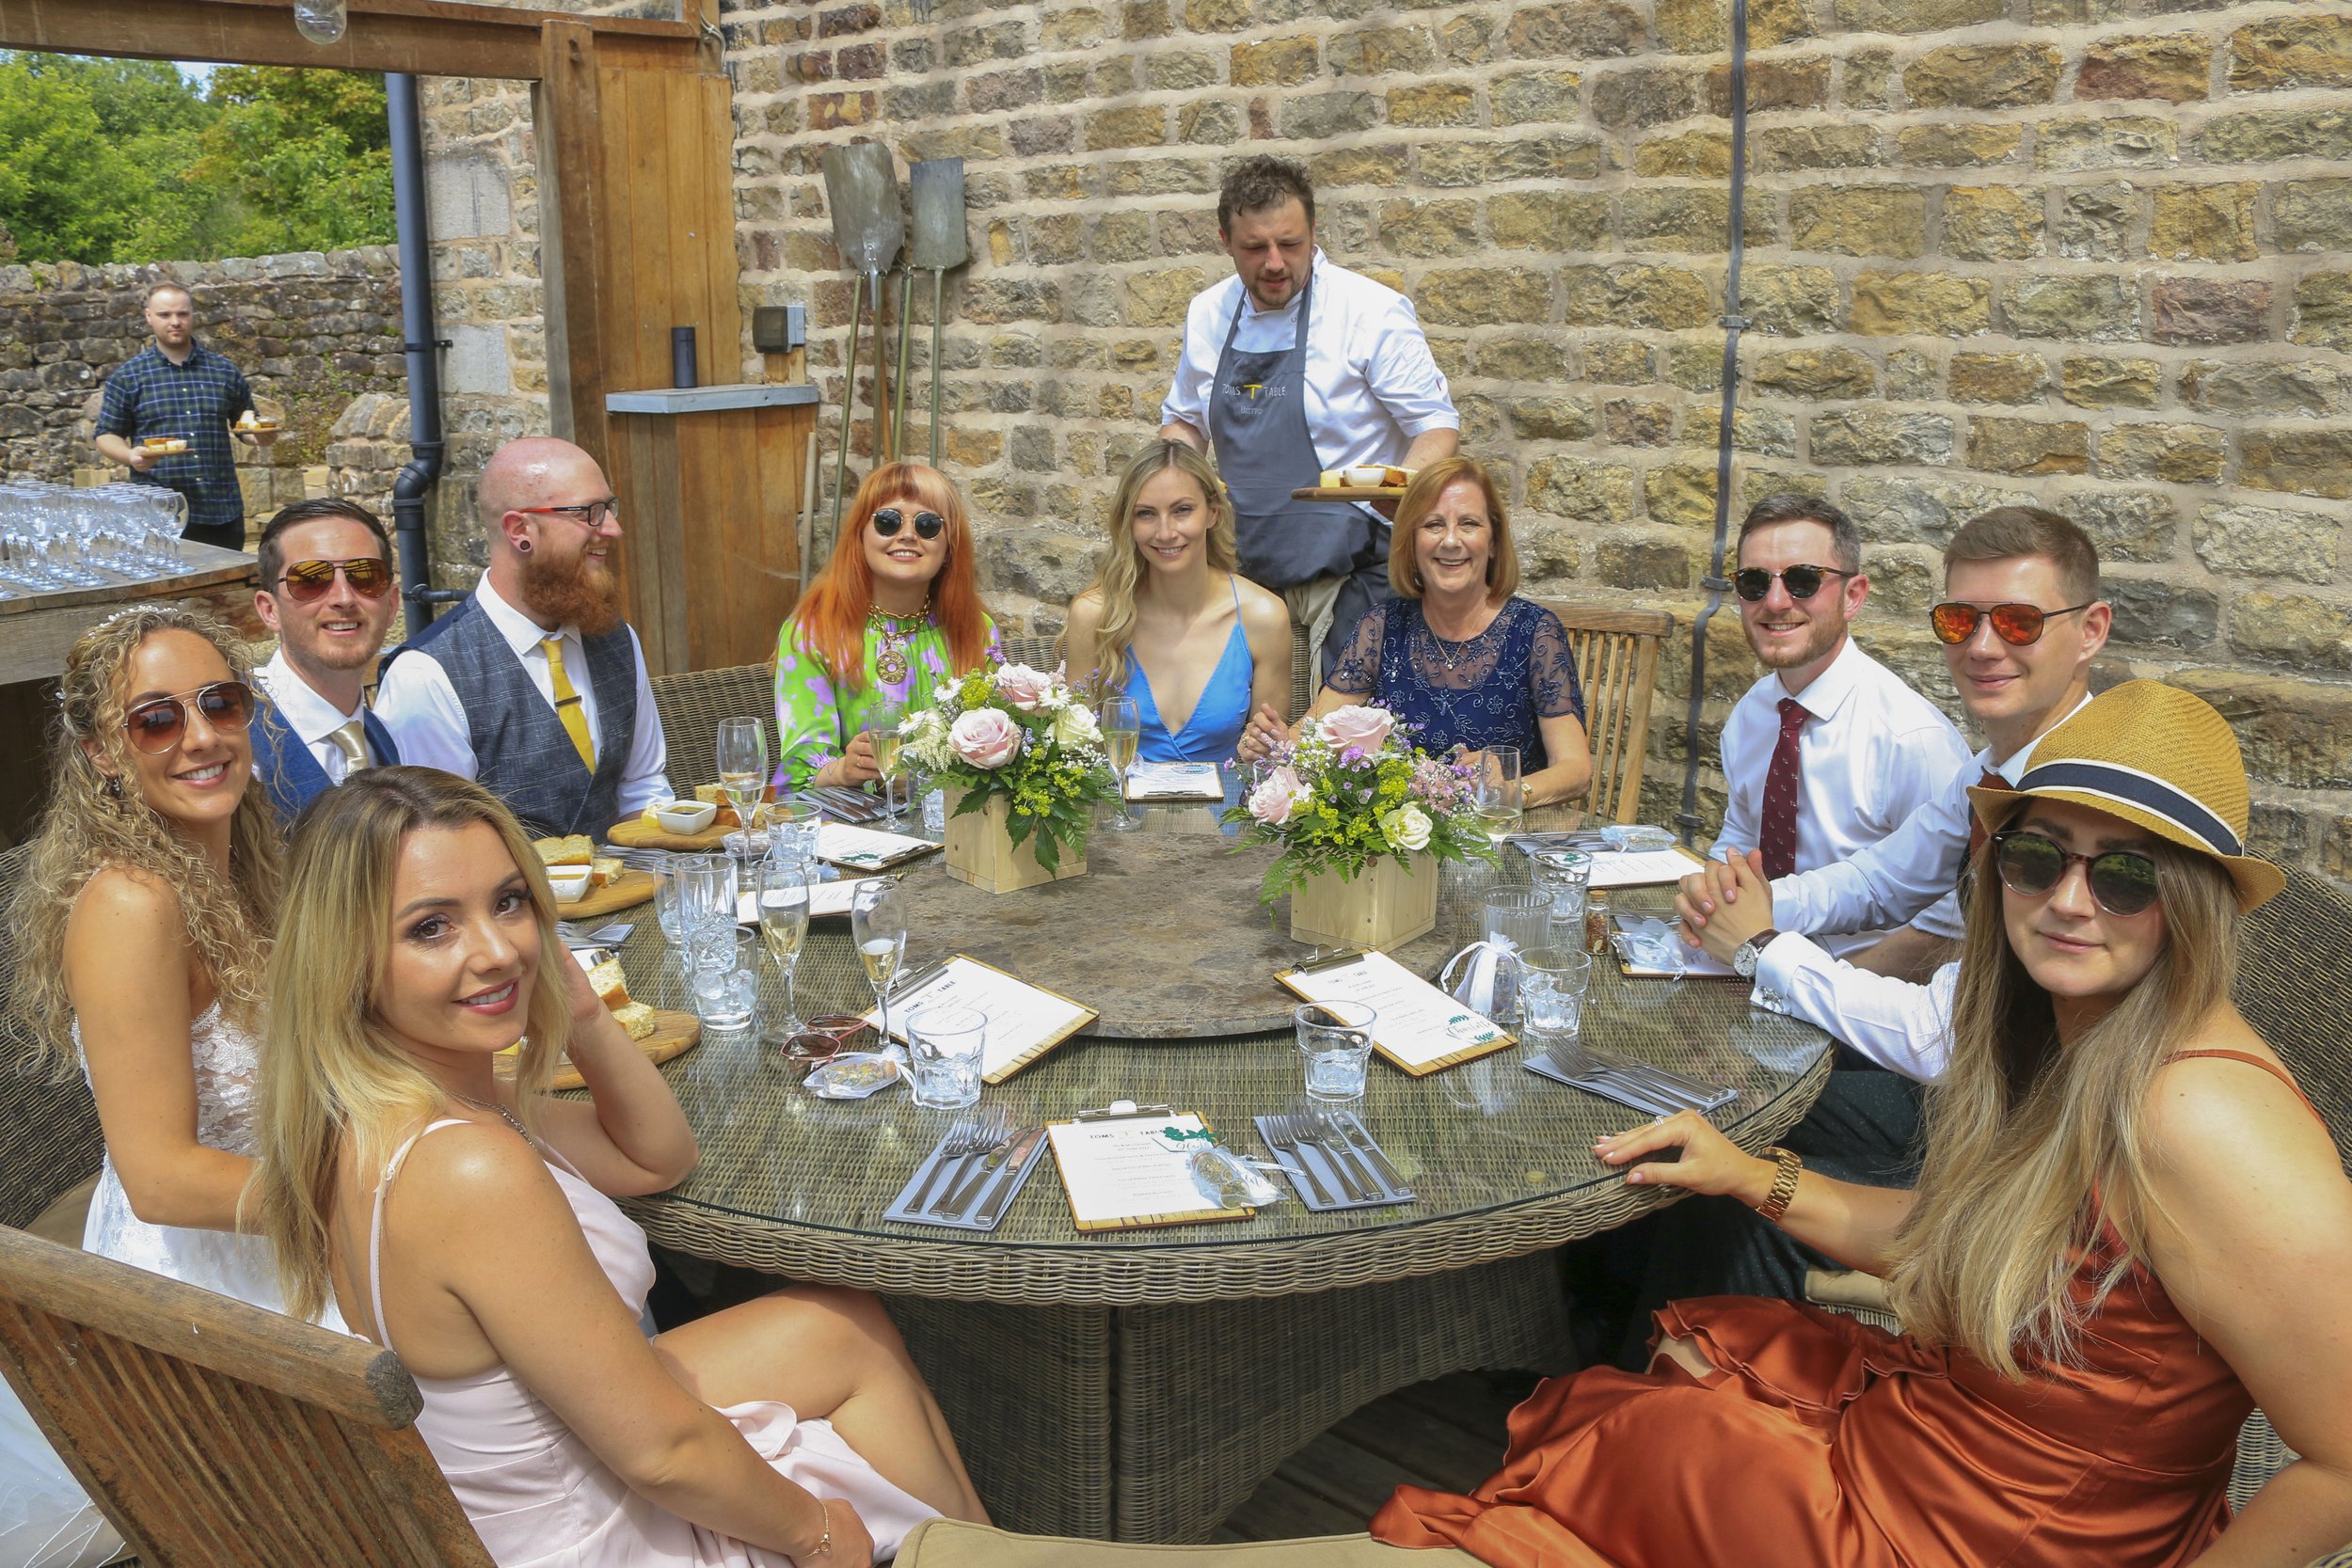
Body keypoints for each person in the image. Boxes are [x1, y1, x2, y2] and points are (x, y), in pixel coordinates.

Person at [1375, 681, 2352, 1567]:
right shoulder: (2077, 1035)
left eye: (2124, 876)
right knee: (1690, 1355)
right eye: (2034, 854)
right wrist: (1749, 1173)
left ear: (2193, 899)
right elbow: (1965, 1244)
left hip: (2003, 1533)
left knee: (1614, 1437)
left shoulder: (2203, 1116)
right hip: (1958, 1442)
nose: (2065, 900)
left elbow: (2344, 1461)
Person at [251, 768, 988, 1565]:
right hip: (592, 1530)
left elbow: (658, 1157)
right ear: (346, 959)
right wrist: (814, 1531)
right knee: (852, 1438)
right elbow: (661, 1453)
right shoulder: (469, 1169)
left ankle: (986, 1552)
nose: (498, 951)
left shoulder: (383, 1110)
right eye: (432, 927)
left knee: (849, 1324)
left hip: (518, 1483)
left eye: (509, 901)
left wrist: (584, 1012)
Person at [1647, 507, 2112, 1311]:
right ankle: (1616, 1338)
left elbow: (1942, 1030)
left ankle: (1716, 1377)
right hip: (1979, 1092)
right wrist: (1747, 903)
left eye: (2020, 621)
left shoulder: (2078, 797)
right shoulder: (1999, 764)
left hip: (2034, 1141)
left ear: (2092, 629)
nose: (1983, 646)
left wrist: (1763, 946)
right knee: (1679, 1091)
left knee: (1724, 1126)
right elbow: (1881, 879)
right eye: (1961, 620)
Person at [0, 605, 338, 1568]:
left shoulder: (240, 869)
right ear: (105, 752)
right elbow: (156, 1175)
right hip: (211, 1275)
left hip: (275, 1235)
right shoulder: (131, 904)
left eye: (219, 702)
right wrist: (372, 1192)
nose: (200, 736)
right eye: (156, 719)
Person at [1159, 154, 1460, 679]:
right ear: (1225, 241)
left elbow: (1435, 427)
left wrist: (1395, 490)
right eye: (1254, 248)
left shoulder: (1369, 310)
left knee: (1343, 745)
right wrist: (1172, 488)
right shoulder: (1206, 313)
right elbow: (1185, 422)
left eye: (1291, 244)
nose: (1275, 263)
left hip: (1353, 576)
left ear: (1314, 232)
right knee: (1245, 734)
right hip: (1242, 574)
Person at [1239, 456, 1592, 809]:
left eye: (1469, 524)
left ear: (1494, 542)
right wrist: (1277, 743)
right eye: (1433, 525)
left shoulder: (1534, 631)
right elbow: (1314, 729)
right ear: (1411, 540)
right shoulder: (1382, 626)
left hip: (1499, 841)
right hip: (1399, 846)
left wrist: (1508, 791)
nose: (1451, 541)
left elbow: (1575, 770)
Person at [1708, 495, 1971, 959]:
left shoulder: (1910, 739)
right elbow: (1740, 839)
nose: (1775, 601)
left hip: (1856, 982)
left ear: (1853, 596)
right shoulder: (1752, 713)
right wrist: (1708, 900)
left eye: (1803, 580)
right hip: (1750, 959)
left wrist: (1824, 993)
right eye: (1753, 582)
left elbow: (1950, 924)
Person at [375, 436, 672, 840]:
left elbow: (643, 787)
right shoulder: (425, 676)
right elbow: (440, 842)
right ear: (520, 530)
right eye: (590, 512)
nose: (613, 529)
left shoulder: (617, 639)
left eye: (609, 508)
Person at [1062, 441, 1292, 778]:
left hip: (1225, 820)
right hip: (1118, 818)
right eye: (1146, 514)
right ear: (1128, 522)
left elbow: (1267, 762)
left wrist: (1261, 749)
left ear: (1213, 513)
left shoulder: (1264, 616)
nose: (1166, 532)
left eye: (1182, 510)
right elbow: (1074, 752)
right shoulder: (1095, 616)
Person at [773, 462, 995, 793]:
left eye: (928, 524)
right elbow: (800, 776)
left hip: (954, 822)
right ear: (860, 536)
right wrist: (843, 771)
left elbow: (992, 752)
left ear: (949, 547)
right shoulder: (813, 631)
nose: (907, 535)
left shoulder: (975, 628)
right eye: (888, 522)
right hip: (853, 828)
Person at [249, 498, 404, 822]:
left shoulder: (395, 737)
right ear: (269, 610)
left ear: (391, 604)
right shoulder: (236, 741)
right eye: (310, 579)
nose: (344, 598)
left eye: (365, 576)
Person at [92, 283, 278, 552]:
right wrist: (131, 456)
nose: (175, 322)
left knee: (222, 593)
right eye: (165, 315)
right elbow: (106, 434)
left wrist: (259, 437)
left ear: (193, 315)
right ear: (149, 317)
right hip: (157, 512)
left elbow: (244, 424)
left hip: (221, 509)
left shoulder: (224, 371)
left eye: (183, 314)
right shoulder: (128, 376)